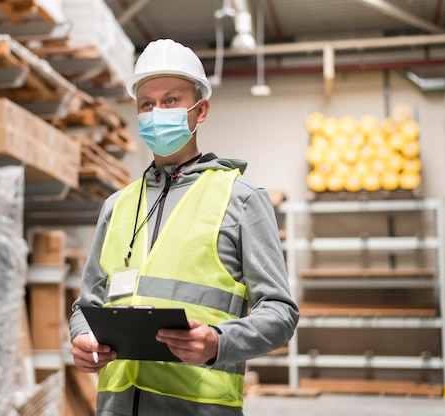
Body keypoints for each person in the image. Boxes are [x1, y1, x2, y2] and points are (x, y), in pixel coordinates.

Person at [69, 38, 299, 416]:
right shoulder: (117, 206)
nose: (157, 111)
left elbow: (280, 312)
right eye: (147, 103)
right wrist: (82, 338)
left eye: (171, 100)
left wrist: (218, 342)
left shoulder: (241, 199)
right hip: (115, 407)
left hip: (197, 407)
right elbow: (87, 304)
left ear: (200, 109)